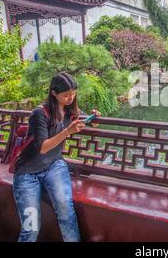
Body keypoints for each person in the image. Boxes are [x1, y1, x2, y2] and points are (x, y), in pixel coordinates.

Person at [12, 72, 101, 242]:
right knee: (31, 227)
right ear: (54, 93)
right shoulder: (40, 113)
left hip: (54, 166)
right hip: (27, 172)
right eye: (66, 95)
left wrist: (94, 119)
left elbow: (83, 121)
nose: (71, 98)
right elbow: (43, 147)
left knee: (65, 210)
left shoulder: (70, 109)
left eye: (73, 93)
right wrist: (67, 131)